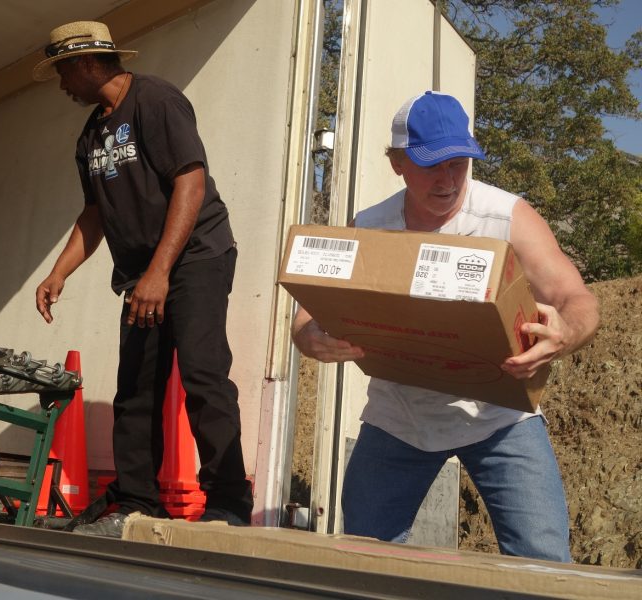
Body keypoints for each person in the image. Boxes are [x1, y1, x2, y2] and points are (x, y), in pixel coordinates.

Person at [291, 91, 599, 562]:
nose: (448, 178)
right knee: (365, 558)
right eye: (432, 164)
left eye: (459, 162)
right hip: (400, 417)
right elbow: (310, 311)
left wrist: (565, 334)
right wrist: (308, 336)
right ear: (397, 163)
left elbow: (577, 300)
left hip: (499, 417)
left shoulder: (505, 217)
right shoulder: (372, 226)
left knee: (542, 563)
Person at [32, 21, 253, 537]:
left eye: (64, 71)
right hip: (140, 274)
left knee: (202, 375)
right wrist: (58, 272)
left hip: (197, 255)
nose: (62, 84)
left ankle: (228, 499)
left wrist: (160, 270)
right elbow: (95, 214)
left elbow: (190, 181)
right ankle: (137, 500)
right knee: (135, 389)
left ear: (88, 63)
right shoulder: (90, 135)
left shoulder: (155, 100)